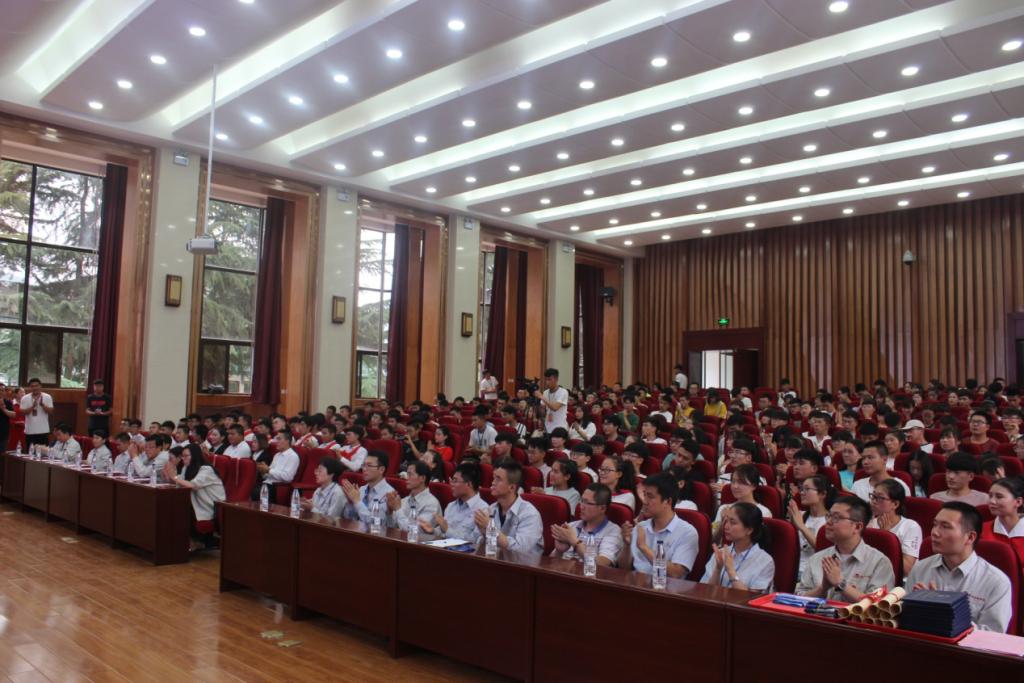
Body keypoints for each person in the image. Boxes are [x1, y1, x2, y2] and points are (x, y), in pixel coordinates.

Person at [908, 502, 1012, 633]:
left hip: (966, 647)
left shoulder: (996, 582)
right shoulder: (920, 568)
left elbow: (993, 636)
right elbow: (904, 618)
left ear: (970, 537)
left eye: (945, 526)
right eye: (935, 524)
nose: (934, 532)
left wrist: (943, 613)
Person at [796, 496, 896, 600]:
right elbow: (798, 598)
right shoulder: (817, 558)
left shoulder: (879, 562)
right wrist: (823, 588)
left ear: (857, 527)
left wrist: (840, 584)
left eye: (836, 518)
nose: (828, 522)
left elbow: (878, 604)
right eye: (828, 516)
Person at [619, 472, 699, 578]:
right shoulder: (641, 527)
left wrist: (644, 548)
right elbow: (623, 569)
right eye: (644, 495)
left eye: (650, 496)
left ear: (668, 501)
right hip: (635, 584)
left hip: (666, 587)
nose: (645, 502)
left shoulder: (687, 533)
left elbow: (676, 573)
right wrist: (627, 545)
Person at [162, 443, 226, 551]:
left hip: (209, 507)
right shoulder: (186, 468)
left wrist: (174, 477)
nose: (183, 458)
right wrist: (169, 476)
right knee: (170, 506)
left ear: (195, 456)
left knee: (180, 510)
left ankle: (193, 542)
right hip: (195, 503)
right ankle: (175, 541)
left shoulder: (206, 470)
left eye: (186, 456)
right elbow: (180, 484)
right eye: (182, 456)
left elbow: (193, 485)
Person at [471, 460, 544, 553]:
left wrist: (491, 529)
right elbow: (477, 542)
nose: (493, 482)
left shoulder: (530, 514)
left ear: (512, 487)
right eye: (493, 478)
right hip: (496, 559)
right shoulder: (491, 509)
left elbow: (520, 549)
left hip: (525, 561)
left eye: (498, 479)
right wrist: (484, 533)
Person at [701, 502, 775, 592]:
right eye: (726, 521)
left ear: (749, 530)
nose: (726, 526)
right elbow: (705, 592)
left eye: (732, 522)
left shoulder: (765, 561)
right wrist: (718, 569)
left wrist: (731, 571)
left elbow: (752, 598)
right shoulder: (720, 553)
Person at [551, 483, 623, 566]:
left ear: (602, 508)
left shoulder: (613, 531)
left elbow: (602, 565)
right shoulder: (571, 526)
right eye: (582, 501)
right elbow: (551, 565)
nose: (581, 507)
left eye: (588, 503)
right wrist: (559, 551)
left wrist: (575, 542)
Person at [867, 478, 922, 576]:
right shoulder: (869, 524)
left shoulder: (910, 527)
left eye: (880, 498)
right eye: (873, 496)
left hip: (898, 580)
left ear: (895, 504)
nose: (873, 501)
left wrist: (887, 537)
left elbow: (907, 570)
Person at [712, 463, 772, 542]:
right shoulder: (724, 508)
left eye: (741, 482)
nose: (735, 486)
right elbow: (712, 540)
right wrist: (722, 524)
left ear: (753, 486)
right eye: (733, 481)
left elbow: (761, 542)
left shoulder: (763, 512)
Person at [788, 474, 833, 576]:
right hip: (794, 568)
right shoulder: (800, 515)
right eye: (801, 489)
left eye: (807, 489)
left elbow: (822, 549)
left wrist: (801, 526)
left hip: (814, 572)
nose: (802, 493)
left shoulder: (830, 520)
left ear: (822, 494)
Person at [433, 462, 488, 540]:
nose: (451, 484)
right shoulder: (451, 506)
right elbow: (442, 531)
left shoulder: (482, 510)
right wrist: (432, 530)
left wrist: (447, 530)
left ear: (468, 484)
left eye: (455, 481)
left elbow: (474, 541)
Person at [340, 451, 396, 524]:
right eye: (363, 465)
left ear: (381, 470)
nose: (364, 469)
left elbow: (375, 522)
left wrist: (357, 501)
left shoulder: (389, 494)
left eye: (369, 465)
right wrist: (351, 503)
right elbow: (349, 518)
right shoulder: (362, 489)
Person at [980, 477, 1024, 569]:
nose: (992, 501)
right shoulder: (981, 530)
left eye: (999, 497)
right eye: (990, 496)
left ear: (1018, 502)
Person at [390, 461, 442, 535]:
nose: (407, 478)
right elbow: (390, 526)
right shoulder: (404, 500)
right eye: (407, 474)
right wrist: (389, 510)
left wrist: (398, 509)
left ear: (422, 478)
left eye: (410, 474)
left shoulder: (431, 503)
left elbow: (415, 531)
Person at [20, 378, 53, 447]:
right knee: (29, 452)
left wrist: (42, 405)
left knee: (43, 452)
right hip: (30, 431)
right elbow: (22, 412)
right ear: (30, 387)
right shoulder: (25, 398)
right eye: (32, 386)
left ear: (40, 386)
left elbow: (50, 411)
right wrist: (32, 406)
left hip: (43, 431)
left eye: (36, 385)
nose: (35, 388)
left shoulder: (47, 397)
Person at [536, 368, 569, 433]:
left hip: (560, 428)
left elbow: (555, 408)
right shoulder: (545, 392)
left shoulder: (563, 392)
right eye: (546, 379)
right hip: (547, 428)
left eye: (549, 379)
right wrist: (539, 406)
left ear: (556, 379)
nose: (547, 382)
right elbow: (543, 412)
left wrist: (542, 397)